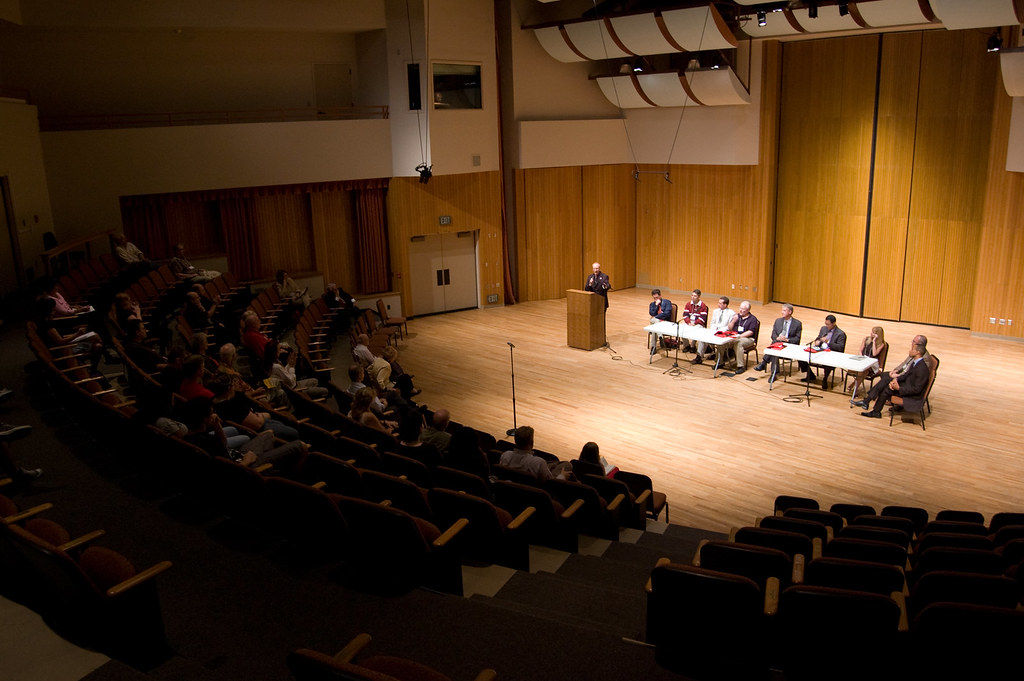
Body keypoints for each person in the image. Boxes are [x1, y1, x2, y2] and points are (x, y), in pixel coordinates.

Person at [856, 336, 930, 418]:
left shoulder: (922, 368)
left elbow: (917, 390)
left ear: (917, 352)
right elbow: (906, 374)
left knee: (886, 384)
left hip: (912, 395)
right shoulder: (916, 362)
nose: (910, 350)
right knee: (887, 386)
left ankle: (868, 402)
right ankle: (875, 410)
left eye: (912, 349)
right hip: (907, 385)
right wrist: (896, 379)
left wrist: (898, 388)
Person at [498, 426, 571, 481]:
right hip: (534, 492)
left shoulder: (505, 455)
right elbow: (551, 484)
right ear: (531, 443)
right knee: (567, 465)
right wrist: (562, 476)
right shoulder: (538, 462)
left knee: (552, 464)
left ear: (515, 441)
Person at [754, 303, 803, 379]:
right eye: (782, 310)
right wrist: (777, 338)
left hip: (788, 345)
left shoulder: (797, 324)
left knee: (774, 346)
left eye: (784, 310)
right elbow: (773, 335)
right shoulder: (778, 321)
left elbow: (797, 339)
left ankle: (764, 363)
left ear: (790, 312)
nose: (782, 312)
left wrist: (787, 340)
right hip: (778, 343)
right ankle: (773, 373)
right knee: (775, 349)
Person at [800, 314, 847, 390]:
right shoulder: (823, 329)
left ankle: (825, 379)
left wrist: (828, 342)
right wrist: (817, 341)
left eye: (828, 324)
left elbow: (840, 348)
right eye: (826, 324)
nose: (827, 326)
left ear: (834, 323)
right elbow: (818, 337)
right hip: (820, 350)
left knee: (827, 361)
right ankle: (810, 375)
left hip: (831, 353)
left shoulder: (841, 334)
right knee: (802, 357)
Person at [693, 296, 735, 365]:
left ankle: (719, 361)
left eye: (720, 303)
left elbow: (728, 327)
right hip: (714, 331)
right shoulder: (715, 311)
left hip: (723, 333)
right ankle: (699, 356)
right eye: (718, 303)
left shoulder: (731, 313)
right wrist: (713, 330)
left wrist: (719, 331)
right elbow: (712, 322)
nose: (718, 304)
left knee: (720, 343)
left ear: (725, 305)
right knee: (702, 338)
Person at [721, 300, 759, 374]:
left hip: (748, 338)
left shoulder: (753, 319)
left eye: (743, 309)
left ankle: (740, 366)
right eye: (740, 308)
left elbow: (750, 332)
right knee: (722, 342)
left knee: (738, 343)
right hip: (735, 336)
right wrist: (733, 321)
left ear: (748, 310)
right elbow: (729, 328)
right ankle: (720, 362)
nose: (740, 311)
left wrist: (739, 337)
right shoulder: (737, 317)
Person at [849, 326, 888, 397]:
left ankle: (854, 387)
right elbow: (860, 350)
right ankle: (854, 387)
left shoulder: (882, 344)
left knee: (865, 370)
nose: (871, 334)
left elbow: (874, 353)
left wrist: (874, 341)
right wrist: (861, 357)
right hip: (863, 359)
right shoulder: (866, 339)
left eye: (873, 333)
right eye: (872, 332)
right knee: (863, 370)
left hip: (873, 364)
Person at [679, 289, 709, 353]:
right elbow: (685, 315)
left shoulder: (703, 306)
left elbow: (703, 318)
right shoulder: (688, 304)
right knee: (681, 329)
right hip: (689, 322)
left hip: (698, 323)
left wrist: (695, 323)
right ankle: (686, 345)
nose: (692, 297)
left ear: (699, 297)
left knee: (696, 330)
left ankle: (693, 346)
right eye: (692, 295)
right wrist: (688, 322)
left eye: (695, 296)